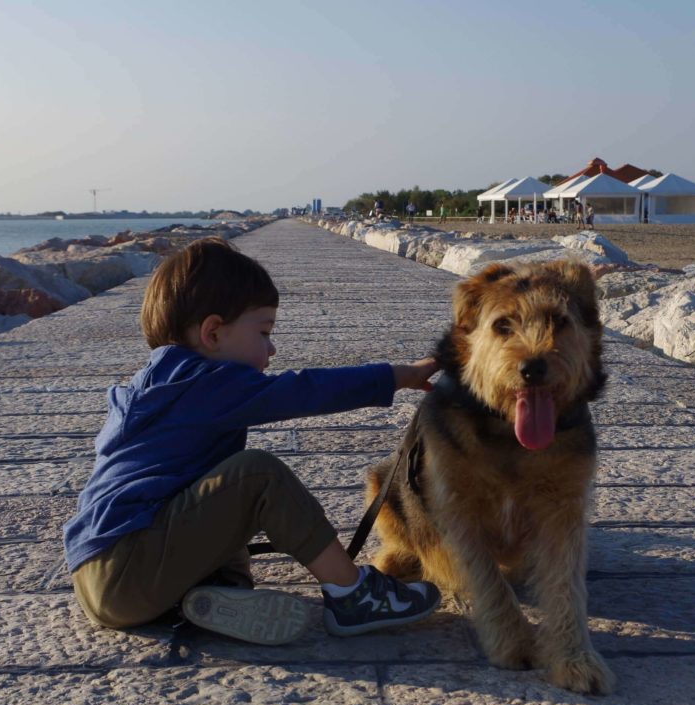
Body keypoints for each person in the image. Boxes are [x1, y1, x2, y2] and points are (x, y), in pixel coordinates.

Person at [63, 237, 442, 645]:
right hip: (127, 571)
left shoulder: (153, 387)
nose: (272, 348)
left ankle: (206, 597)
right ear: (212, 332)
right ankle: (355, 595)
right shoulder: (204, 383)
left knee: (217, 499)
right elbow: (305, 390)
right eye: (264, 331)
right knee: (256, 476)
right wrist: (396, 375)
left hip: (97, 578)